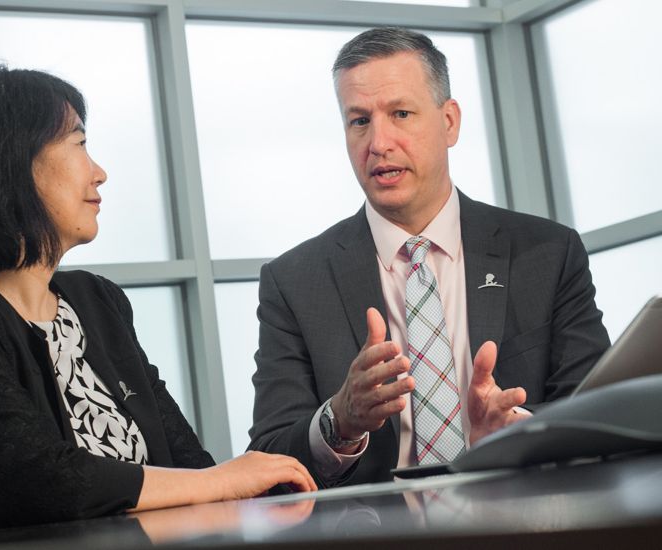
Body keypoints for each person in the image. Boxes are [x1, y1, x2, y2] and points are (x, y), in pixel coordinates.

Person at [0, 66, 316, 538]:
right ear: (9, 163)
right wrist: (219, 481)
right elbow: (40, 483)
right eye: (80, 144)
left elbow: (187, 463)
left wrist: (232, 484)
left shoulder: (97, 302)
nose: (99, 173)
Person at [248, 27, 610, 486]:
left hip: (521, 517)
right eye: (359, 120)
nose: (378, 142)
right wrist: (339, 421)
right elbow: (268, 460)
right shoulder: (295, 282)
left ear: (450, 122)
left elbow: (595, 410)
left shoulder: (548, 253)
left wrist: (511, 436)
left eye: (400, 113)